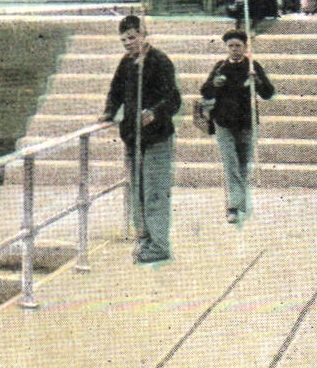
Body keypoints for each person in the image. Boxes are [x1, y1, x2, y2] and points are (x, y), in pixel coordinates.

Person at [100, 15, 182, 264]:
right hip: (133, 137)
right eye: (123, 39)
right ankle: (144, 237)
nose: (127, 43)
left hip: (156, 138)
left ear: (143, 34)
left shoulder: (159, 61)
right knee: (137, 191)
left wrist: (155, 112)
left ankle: (159, 244)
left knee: (154, 191)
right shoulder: (126, 62)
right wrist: (108, 112)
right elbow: (115, 92)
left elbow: (174, 99)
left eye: (132, 38)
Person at [199, 30, 274, 226]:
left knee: (242, 163)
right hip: (223, 122)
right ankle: (233, 206)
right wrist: (215, 84)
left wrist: (256, 81)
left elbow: (268, 93)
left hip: (246, 123)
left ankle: (240, 201)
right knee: (231, 164)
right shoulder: (220, 67)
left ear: (245, 48)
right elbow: (205, 92)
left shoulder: (252, 66)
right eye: (230, 46)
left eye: (237, 46)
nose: (234, 50)